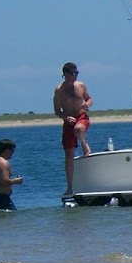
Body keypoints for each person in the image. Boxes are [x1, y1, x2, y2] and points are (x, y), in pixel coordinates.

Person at [53, 62, 93, 195]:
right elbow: (57, 110)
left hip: (81, 116)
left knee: (78, 129)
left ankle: (84, 145)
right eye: (72, 74)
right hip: (68, 120)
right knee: (69, 155)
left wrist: (86, 105)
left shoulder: (80, 85)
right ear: (64, 75)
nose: (74, 76)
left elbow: (89, 99)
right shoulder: (59, 90)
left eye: (76, 73)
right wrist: (65, 118)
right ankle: (70, 186)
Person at [0, 139, 23, 211]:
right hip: (2, 198)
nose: (12, 153)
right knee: (12, 217)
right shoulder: (3, 162)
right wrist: (16, 180)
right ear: (7, 150)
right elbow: (4, 181)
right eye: (12, 150)